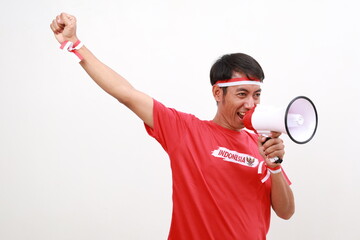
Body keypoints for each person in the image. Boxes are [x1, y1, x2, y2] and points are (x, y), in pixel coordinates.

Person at [50, 12, 295, 240]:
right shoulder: (185, 130)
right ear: (217, 93)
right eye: (242, 94)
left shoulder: (262, 146)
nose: (251, 104)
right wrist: (75, 45)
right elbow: (126, 93)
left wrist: (274, 168)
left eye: (257, 95)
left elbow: (286, 212)